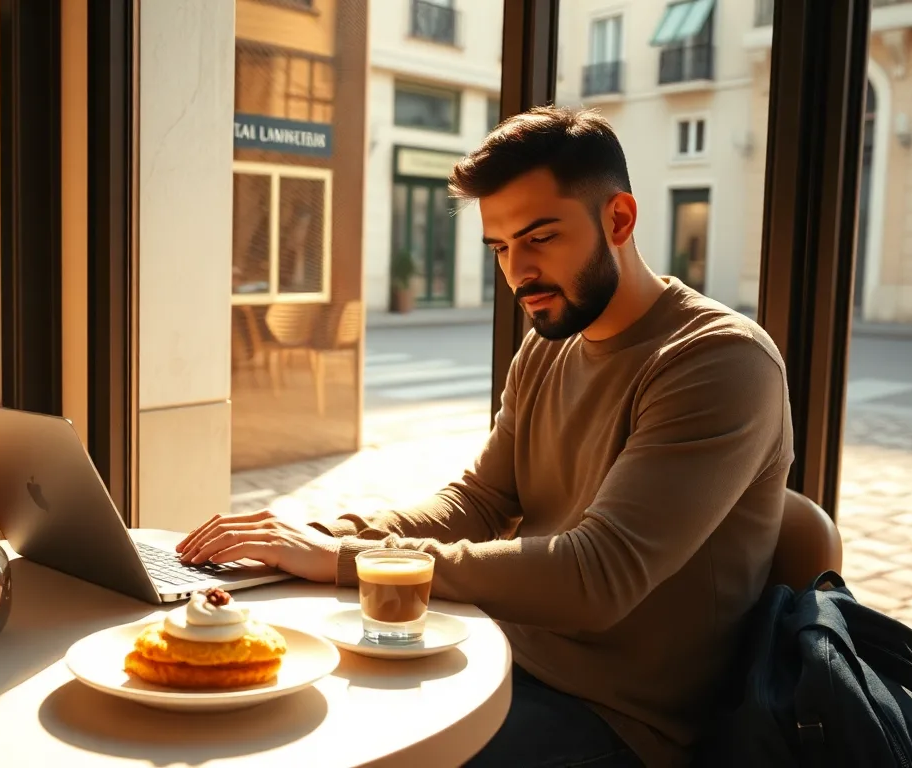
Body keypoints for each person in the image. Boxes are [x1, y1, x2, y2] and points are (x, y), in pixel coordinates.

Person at [175, 107, 794, 768]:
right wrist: (321, 537)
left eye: (539, 237)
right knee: (266, 717)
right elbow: (477, 499)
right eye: (500, 247)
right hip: (500, 660)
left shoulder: (717, 361)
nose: (517, 271)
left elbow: (597, 576)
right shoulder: (548, 347)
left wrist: (344, 560)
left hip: (620, 722)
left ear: (618, 220)